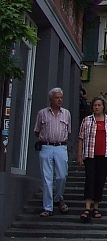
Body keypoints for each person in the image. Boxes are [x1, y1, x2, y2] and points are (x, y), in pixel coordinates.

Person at [77, 96, 107, 221]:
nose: (97, 107)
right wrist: (79, 155)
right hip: (90, 154)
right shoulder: (87, 120)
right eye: (95, 105)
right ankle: (87, 207)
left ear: (103, 107)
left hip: (104, 155)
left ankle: (96, 207)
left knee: (100, 180)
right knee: (90, 178)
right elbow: (81, 138)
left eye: (99, 105)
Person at [33, 87, 71, 217]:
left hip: (61, 146)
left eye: (61, 98)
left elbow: (68, 131)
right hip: (46, 146)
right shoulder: (42, 113)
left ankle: (58, 198)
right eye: (56, 98)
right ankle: (48, 207)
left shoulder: (66, 113)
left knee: (62, 175)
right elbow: (37, 131)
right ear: (51, 99)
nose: (59, 100)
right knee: (47, 178)